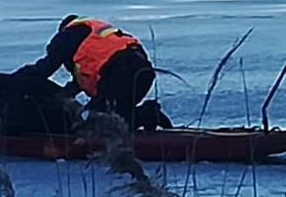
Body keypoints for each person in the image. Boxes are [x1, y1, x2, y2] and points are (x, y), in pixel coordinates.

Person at [12, 14, 171, 130]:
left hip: (120, 72)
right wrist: (63, 96)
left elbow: (44, 69)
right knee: (118, 119)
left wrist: (14, 81)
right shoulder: (95, 34)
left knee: (92, 123)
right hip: (141, 73)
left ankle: (147, 114)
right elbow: (80, 82)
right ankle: (144, 116)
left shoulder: (67, 35)